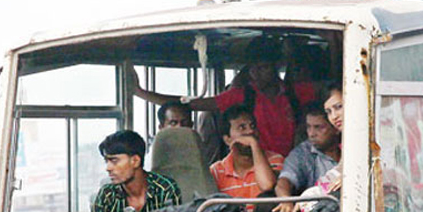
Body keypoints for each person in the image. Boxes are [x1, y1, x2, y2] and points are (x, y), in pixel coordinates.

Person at [131, 37, 318, 156]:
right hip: (253, 168)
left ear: (276, 67)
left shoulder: (296, 92)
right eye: (252, 68)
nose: (256, 74)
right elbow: (190, 105)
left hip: (293, 168)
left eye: (263, 68)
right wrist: (141, 93)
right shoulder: (243, 95)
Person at [275, 89, 344, 212]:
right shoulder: (302, 153)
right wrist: (286, 200)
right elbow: (284, 181)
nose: (311, 133)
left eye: (319, 127)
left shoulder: (353, 143)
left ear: (335, 129)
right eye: (308, 127)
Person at [90, 130, 181, 212]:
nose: (108, 168)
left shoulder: (165, 189)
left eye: (114, 161)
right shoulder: (107, 195)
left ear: (135, 161)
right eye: (106, 161)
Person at [210, 107, 284, 198]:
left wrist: (254, 144)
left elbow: (267, 185)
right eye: (242, 128)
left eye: (253, 126)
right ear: (227, 139)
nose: (250, 131)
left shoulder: (275, 159)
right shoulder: (216, 171)